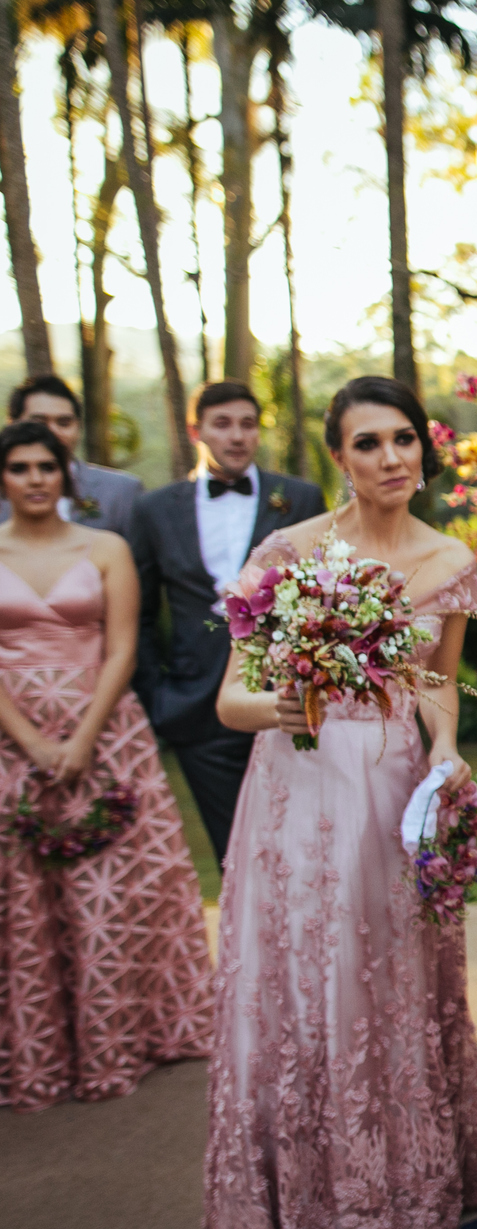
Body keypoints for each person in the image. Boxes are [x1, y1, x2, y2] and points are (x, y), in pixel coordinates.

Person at [201, 377, 477, 1229]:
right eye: (368, 441)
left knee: (382, 994)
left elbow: (437, 678)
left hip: (390, 796)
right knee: (302, 1002)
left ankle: (397, 1210)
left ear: (425, 449)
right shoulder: (288, 557)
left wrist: (450, 753)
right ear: (338, 454)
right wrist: (285, 704)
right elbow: (232, 698)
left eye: (405, 438)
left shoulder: (453, 559)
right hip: (294, 796)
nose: (390, 456)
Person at [0, 420, 212, 1111]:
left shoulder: (106, 548)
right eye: (20, 467)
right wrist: (30, 741)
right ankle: (38, 1049)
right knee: (22, 900)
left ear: (66, 475)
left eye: (46, 466)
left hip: (104, 734)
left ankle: (119, 1038)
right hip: (11, 740)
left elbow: (124, 649)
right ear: (3, 477)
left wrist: (83, 738)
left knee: (109, 898)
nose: (34, 478)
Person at [127, 382, 324, 871]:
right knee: (234, 859)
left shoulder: (300, 499)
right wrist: (160, 698)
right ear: (196, 431)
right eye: (222, 424)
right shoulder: (153, 511)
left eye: (247, 424)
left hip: (287, 706)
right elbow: (141, 616)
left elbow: (323, 597)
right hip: (198, 713)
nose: (237, 436)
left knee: (299, 853)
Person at [0, 376, 143, 535]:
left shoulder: (121, 491)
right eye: (40, 422)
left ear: (78, 427)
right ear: (13, 424)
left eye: (64, 423)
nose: (53, 432)